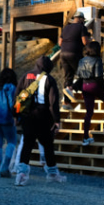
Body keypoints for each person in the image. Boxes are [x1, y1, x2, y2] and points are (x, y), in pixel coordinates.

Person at [14, 54, 66, 185]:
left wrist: (16, 116)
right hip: (43, 116)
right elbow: (53, 102)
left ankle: (21, 174)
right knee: (47, 145)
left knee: (27, 144)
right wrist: (56, 120)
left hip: (27, 116)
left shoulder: (25, 76)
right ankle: (52, 173)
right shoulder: (49, 79)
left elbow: (17, 97)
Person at [75, 41, 104, 146]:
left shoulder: (81, 60)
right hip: (95, 85)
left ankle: (85, 138)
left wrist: (80, 89)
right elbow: (99, 77)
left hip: (85, 86)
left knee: (89, 112)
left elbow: (79, 76)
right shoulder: (97, 60)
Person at [59, 11, 90, 100]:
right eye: (83, 20)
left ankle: (66, 102)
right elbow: (84, 42)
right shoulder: (82, 27)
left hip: (63, 54)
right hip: (74, 53)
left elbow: (60, 43)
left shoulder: (66, 28)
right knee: (85, 74)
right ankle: (73, 89)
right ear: (80, 19)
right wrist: (90, 40)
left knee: (68, 77)